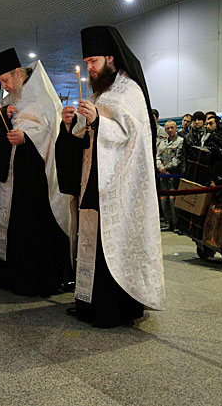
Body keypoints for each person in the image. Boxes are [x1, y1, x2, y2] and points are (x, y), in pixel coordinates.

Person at [57, 26, 164, 327]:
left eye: (93, 61)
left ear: (110, 58)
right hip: (93, 178)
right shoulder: (99, 92)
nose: (89, 68)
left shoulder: (129, 90)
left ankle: (112, 308)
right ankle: (87, 302)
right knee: (90, 241)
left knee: (111, 245)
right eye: (87, 62)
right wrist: (70, 125)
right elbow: (84, 136)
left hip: (118, 184)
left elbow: (134, 136)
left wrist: (98, 121)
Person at [0, 47, 73, 296]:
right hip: (10, 179)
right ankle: (8, 276)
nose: (4, 87)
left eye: (5, 80)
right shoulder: (6, 102)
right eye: (0, 82)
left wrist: (26, 138)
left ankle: (34, 280)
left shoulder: (43, 97)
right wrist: (0, 116)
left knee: (31, 230)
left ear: (18, 73)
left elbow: (52, 134)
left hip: (35, 180)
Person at [157, 120, 184, 232]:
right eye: (167, 128)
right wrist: (160, 168)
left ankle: (177, 224)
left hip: (174, 175)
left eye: (172, 127)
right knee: (164, 199)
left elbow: (178, 159)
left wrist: (167, 168)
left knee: (174, 200)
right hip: (162, 176)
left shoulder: (181, 141)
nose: (170, 130)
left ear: (176, 128)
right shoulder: (161, 143)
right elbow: (157, 156)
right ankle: (168, 223)